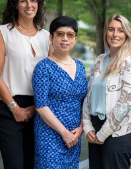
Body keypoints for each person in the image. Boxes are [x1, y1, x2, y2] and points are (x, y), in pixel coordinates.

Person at [0, 0, 50, 168]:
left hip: (38, 108)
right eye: (23, 1)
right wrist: (14, 107)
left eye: (33, 0)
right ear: (15, 4)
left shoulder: (46, 36)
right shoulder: (3, 32)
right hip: (9, 107)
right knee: (14, 165)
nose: (29, 5)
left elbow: (51, 76)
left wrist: (35, 107)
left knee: (33, 165)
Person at [82, 15, 131, 169]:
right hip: (95, 128)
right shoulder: (99, 60)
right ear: (106, 33)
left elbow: (125, 104)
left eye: (120, 30)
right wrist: (87, 126)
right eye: (111, 29)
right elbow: (88, 96)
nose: (115, 34)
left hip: (119, 132)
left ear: (127, 35)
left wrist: (103, 133)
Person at [32, 16, 88, 169]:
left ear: (75, 39)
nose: (65, 39)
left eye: (70, 35)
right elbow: (41, 106)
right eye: (60, 34)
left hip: (74, 136)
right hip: (50, 135)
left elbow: (84, 101)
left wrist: (81, 127)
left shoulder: (80, 66)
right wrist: (64, 133)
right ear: (51, 38)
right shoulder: (43, 67)